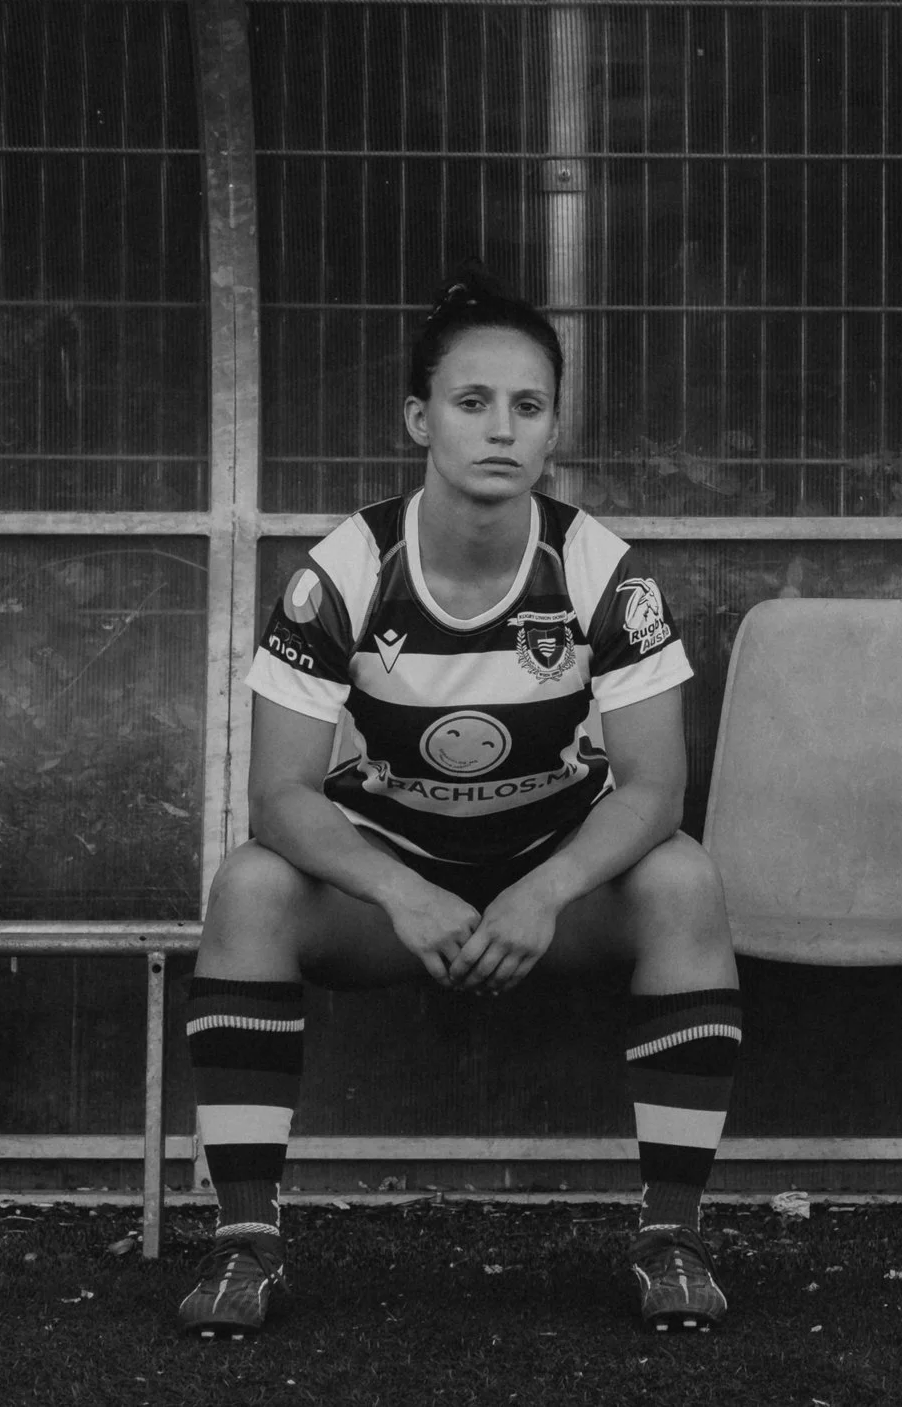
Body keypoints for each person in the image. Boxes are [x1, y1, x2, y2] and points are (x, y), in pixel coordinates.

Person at [177, 269, 741, 1337]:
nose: (501, 428)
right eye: (472, 401)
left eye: (527, 406)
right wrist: (400, 889)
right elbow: (279, 794)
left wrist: (548, 887)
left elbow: (657, 785)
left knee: (684, 880)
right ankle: (245, 1245)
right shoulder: (344, 569)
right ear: (418, 418)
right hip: (397, 887)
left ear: (553, 426)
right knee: (250, 885)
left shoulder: (601, 569)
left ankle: (672, 1238)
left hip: (552, 880)